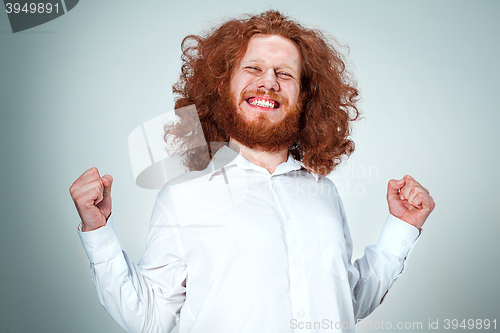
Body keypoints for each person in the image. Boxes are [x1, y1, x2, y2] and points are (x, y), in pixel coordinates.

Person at [70, 11, 435, 333]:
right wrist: (97, 231)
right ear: (222, 86)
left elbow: (345, 303)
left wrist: (402, 227)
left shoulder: (324, 193)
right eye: (253, 68)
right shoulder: (183, 198)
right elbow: (149, 319)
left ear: (305, 96)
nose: (269, 82)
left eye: (285, 73)